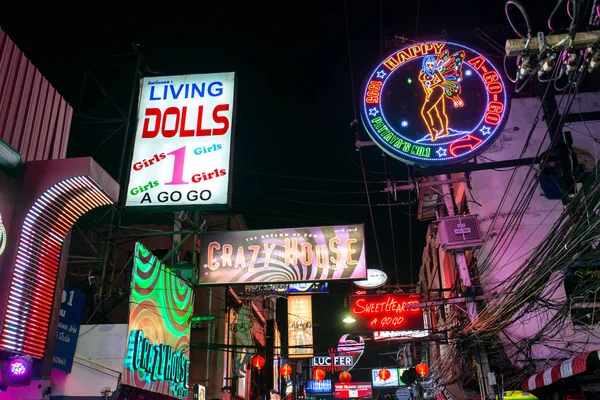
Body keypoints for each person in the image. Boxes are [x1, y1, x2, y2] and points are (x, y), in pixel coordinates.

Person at [418, 49, 465, 142]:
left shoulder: (435, 71)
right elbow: (425, 83)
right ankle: (443, 130)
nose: (430, 66)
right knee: (438, 112)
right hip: (432, 93)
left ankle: (434, 130)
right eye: (428, 65)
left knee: (425, 112)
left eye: (432, 64)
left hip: (437, 91)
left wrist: (433, 84)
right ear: (425, 65)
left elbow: (441, 81)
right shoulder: (423, 73)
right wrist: (429, 90)